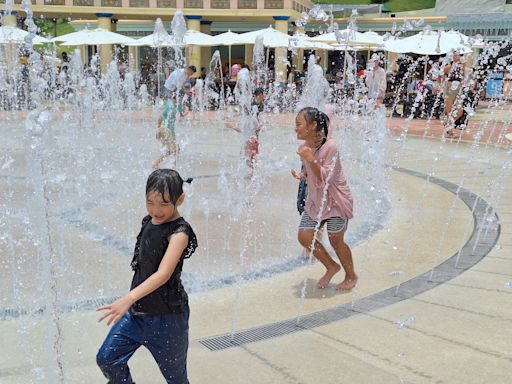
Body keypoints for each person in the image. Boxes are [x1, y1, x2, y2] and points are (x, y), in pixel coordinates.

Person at [96, 169, 197, 384]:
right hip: (137, 314)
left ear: (180, 199)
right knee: (107, 359)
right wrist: (133, 301)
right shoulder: (148, 221)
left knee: (176, 378)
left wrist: (128, 298)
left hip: (168, 319)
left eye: (163, 203)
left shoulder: (180, 232)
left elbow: (163, 274)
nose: (156, 210)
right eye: (150, 202)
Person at [291, 107, 357, 291]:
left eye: (298, 124)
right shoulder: (303, 148)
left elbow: (325, 179)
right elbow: (310, 172)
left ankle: (351, 275)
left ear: (312, 126)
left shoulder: (331, 147)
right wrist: (303, 174)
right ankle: (331, 266)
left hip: (335, 201)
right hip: (315, 201)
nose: (295, 128)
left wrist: (311, 161)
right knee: (304, 236)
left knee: (336, 240)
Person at [226, 85, 265, 168]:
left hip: (249, 140)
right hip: (254, 139)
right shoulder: (253, 108)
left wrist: (231, 126)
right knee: (252, 157)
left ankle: (255, 170)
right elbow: (258, 125)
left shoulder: (246, 120)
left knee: (246, 158)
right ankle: (255, 172)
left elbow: (241, 130)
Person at [152, 94, 186, 169]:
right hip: (166, 130)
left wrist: (185, 113)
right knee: (175, 150)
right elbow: (160, 117)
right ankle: (173, 167)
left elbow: (183, 112)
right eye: (178, 98)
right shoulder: (169, 105)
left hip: (170, 130)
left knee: (170, 149)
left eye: (180, 98)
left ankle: (156, 163)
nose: (179, 100)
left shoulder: (178, 105)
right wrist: (158, 130)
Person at [443, 51, 465, 136]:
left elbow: (464, 77)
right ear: (452, 57)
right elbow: (440, 76)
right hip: (450, 89)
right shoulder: (449, 67)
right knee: (449, 110)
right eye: (455, 55)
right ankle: (450, 129)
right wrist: (442, 84)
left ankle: (447, 122)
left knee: (460, 111)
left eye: (458, 55)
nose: (457, 57)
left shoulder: (462, 66)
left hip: (458, 88)